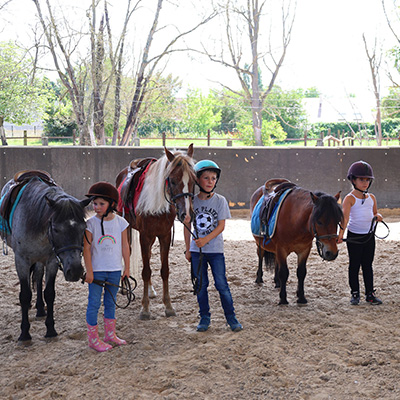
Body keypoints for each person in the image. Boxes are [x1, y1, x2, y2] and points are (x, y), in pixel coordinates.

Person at [183, 160, 242, 332]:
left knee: (222, 285)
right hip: (197, 252)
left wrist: (205, 239)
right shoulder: (191, 202)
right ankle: (204, 317)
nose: (210, 181)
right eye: (206, 178)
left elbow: (221, 226)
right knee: (200, 286)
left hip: (215, 251)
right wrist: (188, 248)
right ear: (197, 180)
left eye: (213, 178)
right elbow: (187, 227)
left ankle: (231, 317)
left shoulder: (220, 201)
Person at [83, 181, 130, 352]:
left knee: (111, 303)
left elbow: (125, 246)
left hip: (115, 269)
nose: (97, 207)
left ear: (111, 204)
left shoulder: (121, 222)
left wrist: (127, 268)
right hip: (97, 270)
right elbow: (86, 249)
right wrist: (89, 270)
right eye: (95, 203)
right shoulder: (90, 224)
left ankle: (110, 334)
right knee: (94, 303)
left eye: (101, 204)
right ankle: (93, 339)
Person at [337, 161, 383, 306]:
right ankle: (355, 293)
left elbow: (374, 213)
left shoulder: (372, 198)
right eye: (362, 179)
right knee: (354, 265)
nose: (365, 183)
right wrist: (340, 235)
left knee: (368, 265)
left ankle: (370, 293)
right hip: (355, 237)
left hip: (369, 236)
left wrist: (378, 216)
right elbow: (345, 218)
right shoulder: (350, 198)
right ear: (353, 180)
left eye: (367, 180)